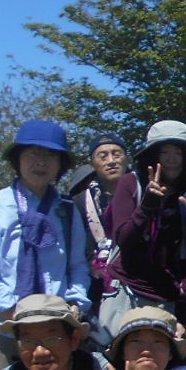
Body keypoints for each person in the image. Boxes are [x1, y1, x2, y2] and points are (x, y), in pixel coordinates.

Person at [0, 120, 92, 370]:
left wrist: (76, 305)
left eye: (50, 155)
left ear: (60, 165)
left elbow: (78, 267)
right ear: (18, 159)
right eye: (33, 153)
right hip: (1, 329)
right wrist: (17, 317)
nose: (41, 162)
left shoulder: (67, 211)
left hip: (55, 330)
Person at [103, 120, 186, 338]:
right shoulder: (132, 183)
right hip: (130, 290)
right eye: (164, 152)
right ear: (153, 155)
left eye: (178, 152)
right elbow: (123, 239)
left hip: (170, 294)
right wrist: (148, 204)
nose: (172, 160)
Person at [65, 132, 126, 325]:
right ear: (92, 163)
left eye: (116, 154)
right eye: (103, 156)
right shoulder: (77, 202)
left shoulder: (143, 194)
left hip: (135, 284)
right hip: (94, 287)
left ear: (127, 158)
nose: (111, 161)